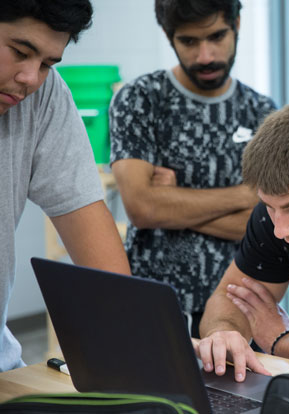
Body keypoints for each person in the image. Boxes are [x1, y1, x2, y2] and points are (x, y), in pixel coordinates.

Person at [109, 0, 276, 337]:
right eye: (188, 41)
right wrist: (245, 195)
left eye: (216, 36)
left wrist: (172, 202)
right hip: (153, 302)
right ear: (169, 36)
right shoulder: (140, 99)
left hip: (241, 306)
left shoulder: (263, 112)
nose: (205, 56)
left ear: (237, 24)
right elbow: (142, 208)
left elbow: (270, 225)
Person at [0, 0, 131, 372]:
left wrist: (143, 345)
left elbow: (103, 268)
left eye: (46, 64)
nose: (30, 78)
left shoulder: (44, 96)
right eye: (20, 52)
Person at [195, 102, 289, 382]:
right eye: (270, 206)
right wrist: (223, 332)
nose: (281, 230)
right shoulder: (272, 220)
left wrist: (283, 341)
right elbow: (232, 296)